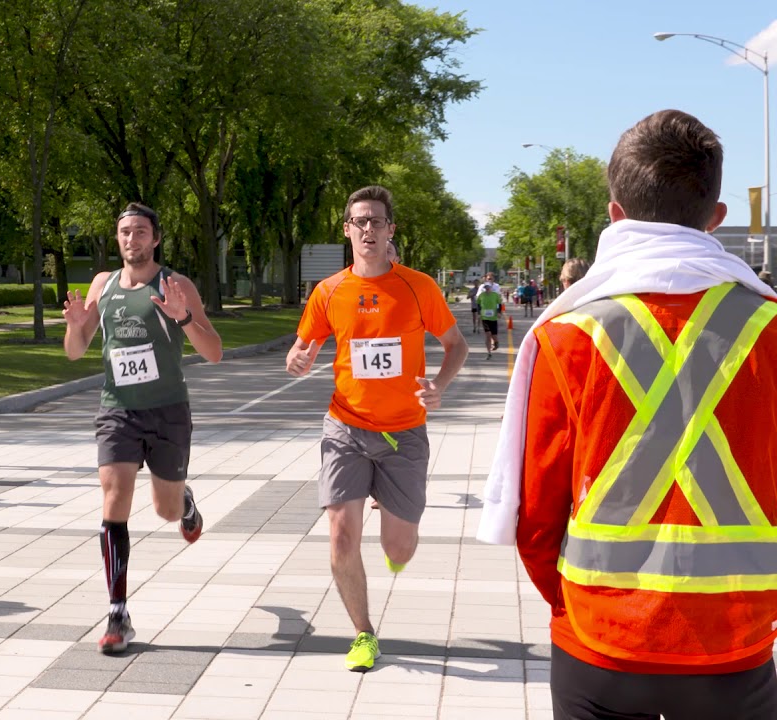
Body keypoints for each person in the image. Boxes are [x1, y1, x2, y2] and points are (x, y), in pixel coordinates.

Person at [479, 110, 777, 719]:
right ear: (715, 219)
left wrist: (572, 605)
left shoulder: (565, 333)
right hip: (735, 646)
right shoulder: (769, 328)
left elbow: (536, 513)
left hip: (599, 641)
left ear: (615, 214)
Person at [285, 185, 468, 672]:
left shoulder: (418, 286)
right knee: (341, 535)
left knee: (398, 548)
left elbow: (456, 345)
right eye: (359, 221)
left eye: (376, 221)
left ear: (390, 230)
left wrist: (439, 386)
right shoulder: (328, 292)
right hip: (345, 427)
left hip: (404, 434)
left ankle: (387, 501)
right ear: (347, 230)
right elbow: (300, 349)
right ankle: (364, 634)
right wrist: (298, 360)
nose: (368, 229)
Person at [63, 202, 223, 654]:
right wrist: (76, 327)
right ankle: (117, 612)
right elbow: (76, 352)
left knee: (166, 512)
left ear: (155, 239)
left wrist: (184, 318)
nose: (130, 239)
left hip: (168, 411)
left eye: (139, 232)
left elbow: (214, 353)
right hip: (118, 410)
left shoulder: (177, 285)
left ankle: (185, 501)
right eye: (123, 232)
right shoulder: (103, 284)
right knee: (113, 497)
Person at [475, 282, 503, 359]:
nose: (487, 289)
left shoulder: (495, 295)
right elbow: (478, 304)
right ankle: (489, 352)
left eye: (488, 288)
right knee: (488, 335)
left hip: (493, 317)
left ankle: (496, 342)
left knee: (494, 335)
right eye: (486, 288)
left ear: (491, 288)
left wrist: (499, 312)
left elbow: (499, 304)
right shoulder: (481, 295)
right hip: (485, 317)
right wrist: (479, 313)